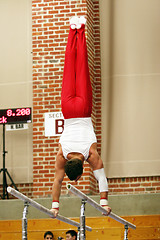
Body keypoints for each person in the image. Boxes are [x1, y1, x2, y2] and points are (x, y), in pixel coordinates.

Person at [51, 16, 111, 217]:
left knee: (81, 67)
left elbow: (101, 178)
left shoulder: (91, 155)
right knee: (70, 68)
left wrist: (104, 202)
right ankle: (72, 29)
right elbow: (57, 181)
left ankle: (81, 28)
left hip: (84, 109)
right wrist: (54, 205)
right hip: (67, 109)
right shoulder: (61, 155)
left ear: (81, 172)